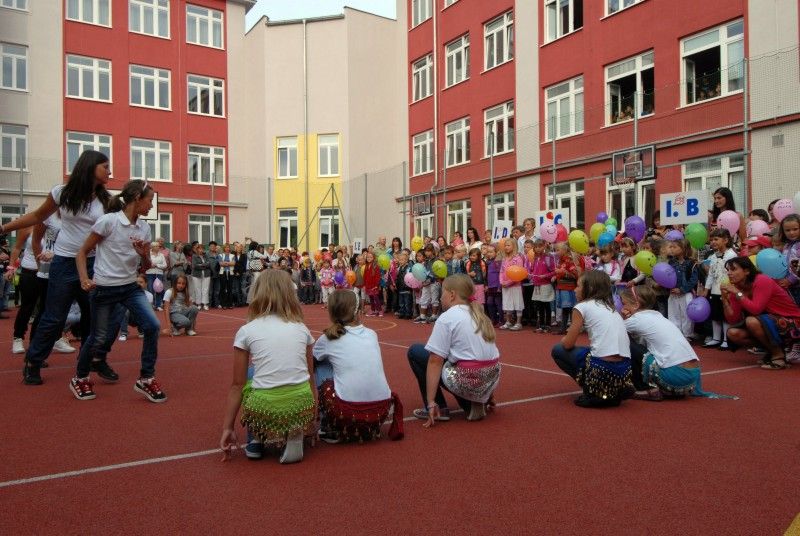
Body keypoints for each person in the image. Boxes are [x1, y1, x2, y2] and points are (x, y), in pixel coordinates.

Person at [0, 150, 111, 385]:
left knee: (93, 317)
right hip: (63, 262)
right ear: (91, 168)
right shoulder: (62, 193)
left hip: (93, 264)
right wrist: (3, 229)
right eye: (105, 166)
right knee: (54, 317)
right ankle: (33, 362)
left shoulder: (106, 201)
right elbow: (37, 216)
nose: (109, 171)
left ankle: (91, 360)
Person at [71, 179, 166, 402]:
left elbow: (145, 267)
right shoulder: (108, 222)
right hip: (104, 289)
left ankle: (146, 378)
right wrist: (85, 279)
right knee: (98, 337)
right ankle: (80, 377)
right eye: (150, 200)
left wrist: (143, 255)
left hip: (130, 287)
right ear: (136, 198)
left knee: (152, 326)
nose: (152, 206)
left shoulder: (144, 227)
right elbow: (82, 252)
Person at [219, 270, 317, 464]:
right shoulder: (301, 328)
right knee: (296, 376)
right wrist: (311, 415)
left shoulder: (247, 330)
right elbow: (309, 374)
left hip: (265, 407)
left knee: (249, 374)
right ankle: (295, 429)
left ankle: (256, 440)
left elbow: (236, 386)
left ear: (257, 293)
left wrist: (227, 428)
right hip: (301, 402)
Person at [407, 274, 501, 424]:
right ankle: (479, 399)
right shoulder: (480, 315)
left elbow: (434, 361)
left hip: (468, 378)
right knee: (462, 356)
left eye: (442, 293)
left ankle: (441, 407)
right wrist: (489, 394)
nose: (440, 297)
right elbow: (487, 354)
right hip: (490, 378)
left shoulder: (447, 317)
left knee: (416, 352)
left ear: (452, 295)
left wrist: (430, 401)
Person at [313, 290, 403, 443]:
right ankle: (365, 426)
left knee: (321, 364)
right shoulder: (372, 334)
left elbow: (311, 360)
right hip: (380, 411)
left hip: (347, 412)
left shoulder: (327, 339)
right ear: (358, 311)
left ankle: (328, 425)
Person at [619, 284, 735, 400]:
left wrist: (623, 318)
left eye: (624, 304)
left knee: (624, 341)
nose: (622, 307)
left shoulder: (637, 319)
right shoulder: (658, 316)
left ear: (636, 305)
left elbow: (613, 331)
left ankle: (643, 388)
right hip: (692, 381)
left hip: (673, 379)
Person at [551, 271, 632, 408]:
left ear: (590, 288)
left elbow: (568, 344)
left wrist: (564, 339)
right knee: (592, 350)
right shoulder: (611, 308)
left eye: (578, 286)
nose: (575, 290)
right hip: (624, 368)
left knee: (558, 350)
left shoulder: (581, 307)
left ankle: (593, 390)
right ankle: (614, 389)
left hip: (602, 367)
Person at [722, 257, 800, 368]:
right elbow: (733, 319)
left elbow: (756, 309)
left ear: (747, 271)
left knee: (751, 321)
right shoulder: (737, 288)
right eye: (728, 270)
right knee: (733, 333)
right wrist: (725, 300)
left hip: (794, 322)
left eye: (733, 270)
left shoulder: (762, 280)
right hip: (770, 322)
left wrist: (738, 294)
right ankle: (773, 351)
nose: (729, 273)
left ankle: (778, 355)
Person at [702, 228, 737, 349]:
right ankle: (716, 338)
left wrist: (729, 288)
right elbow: (711, 274)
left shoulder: (732, 255)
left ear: (726, 240)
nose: (713, 242)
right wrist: (707, 289)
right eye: (711, 240)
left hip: (726, 290)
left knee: (725, 315)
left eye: (716, 239)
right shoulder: (713, 256)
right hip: (715, 290)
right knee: (715, 314)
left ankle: (727, 339)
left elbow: (733, 274)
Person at [499, 237, 525, 331]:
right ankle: (508, 322)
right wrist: (502, 282)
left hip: (515, 285)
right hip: (505, 285)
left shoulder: (518, 258)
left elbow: (518, 273)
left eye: (508, 245)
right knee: (507, 303)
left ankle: (518, 323)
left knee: (517, 303)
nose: (506, 247)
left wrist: (509, 283)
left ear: (514, 247)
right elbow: (501, 271)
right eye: (505, 245)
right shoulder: (504, 259)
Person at [146, 242, 167, 311]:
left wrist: (157, 265)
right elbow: (145, 263)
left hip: (159, 273)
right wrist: (150, 265)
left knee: (158, 289)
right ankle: (150, 305)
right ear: (152, 247)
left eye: (159, 246)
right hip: (149, 273)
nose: (159, 247)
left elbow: (165, 265)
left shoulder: (161, 255)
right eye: (157, 246)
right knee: (150, 289)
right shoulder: (148, 254)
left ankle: (158, 305)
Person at [191, 243, 211, 310]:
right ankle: (198, 304)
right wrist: (204, 265)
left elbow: (209, 264)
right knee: (197, 289)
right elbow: (194, 265)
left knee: (205, 289)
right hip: (196, 274)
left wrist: (201, 265)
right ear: (197, 249)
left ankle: (205, 304)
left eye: (202, 248)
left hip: (206, 274)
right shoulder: (194, 256)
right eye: (199, 248)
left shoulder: (206, 255)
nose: (201, 250)